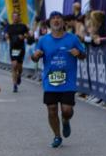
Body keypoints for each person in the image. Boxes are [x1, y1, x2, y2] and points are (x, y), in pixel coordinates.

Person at [32, 10, 87, 148]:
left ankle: (66, 120)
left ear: (64, 22)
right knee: (51, 109)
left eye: (59, 18)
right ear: (49, 23)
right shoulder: (43, 40)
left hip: (68, 81)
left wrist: (78, 53)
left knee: (67, 110)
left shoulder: (72, 39)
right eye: (53, 19)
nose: (56, 21)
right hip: (50, 82)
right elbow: (34, 58)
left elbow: (83, 55)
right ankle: (57, 136)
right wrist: (36, 55)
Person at [3, 10, 32, 93]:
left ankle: (19, 75)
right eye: (13, 16)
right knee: (14, 65)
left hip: (21, 48)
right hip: (13, 48)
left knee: (19, 66)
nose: (15, 18)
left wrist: (23, 36)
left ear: (19, 17)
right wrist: (7, 37)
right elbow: (6, 35)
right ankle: (15, 85)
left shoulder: (23, 26)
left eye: (16, 16)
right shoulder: (9, 27)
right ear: (12, 17)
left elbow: (28, 34)